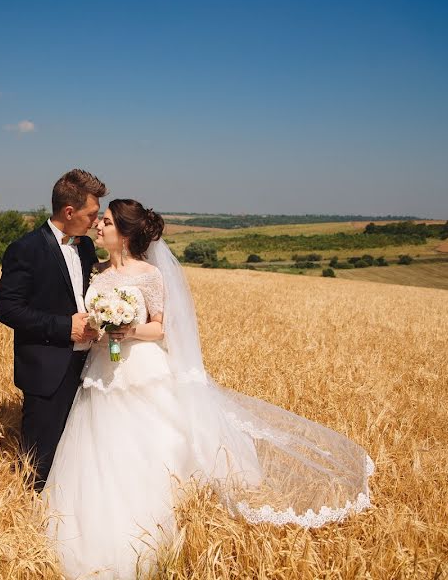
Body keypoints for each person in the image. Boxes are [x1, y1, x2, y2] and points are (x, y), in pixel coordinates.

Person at [43, 199, 375, 579]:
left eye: (107, 222)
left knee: (150, 446)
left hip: (141, 368)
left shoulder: (150, 274)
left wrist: (126, 329)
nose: (98, 227)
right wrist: (100, 329)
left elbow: (160, 327)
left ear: (127, 233)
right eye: (99, 221)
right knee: (96, 445)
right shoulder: (97, 273)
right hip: (102, 372)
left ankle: (154, 528)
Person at [0, 169, 108, 491]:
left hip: (89, 365)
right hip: (48, 368)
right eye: (91, 214)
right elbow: (7, 309)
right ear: (69, 212)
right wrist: (64, 326)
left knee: (79, 450)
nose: (95, 222)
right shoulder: (25, 249)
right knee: (39, 461)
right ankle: (26, 522)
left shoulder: (84, 247)